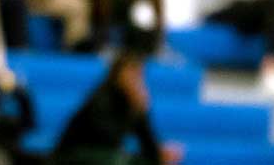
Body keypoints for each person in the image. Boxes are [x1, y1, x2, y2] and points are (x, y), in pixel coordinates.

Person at [51, 51, 182, 165]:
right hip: (75, 153)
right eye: (130, 73)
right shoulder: (101, 97)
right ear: (118, 74)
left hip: (106, 155)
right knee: (118, 160)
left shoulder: (134, 102)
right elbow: (106, 139)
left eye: (137, 74)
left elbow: (146, 142)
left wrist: (159, 153)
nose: (134, 79)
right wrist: (134, 109)